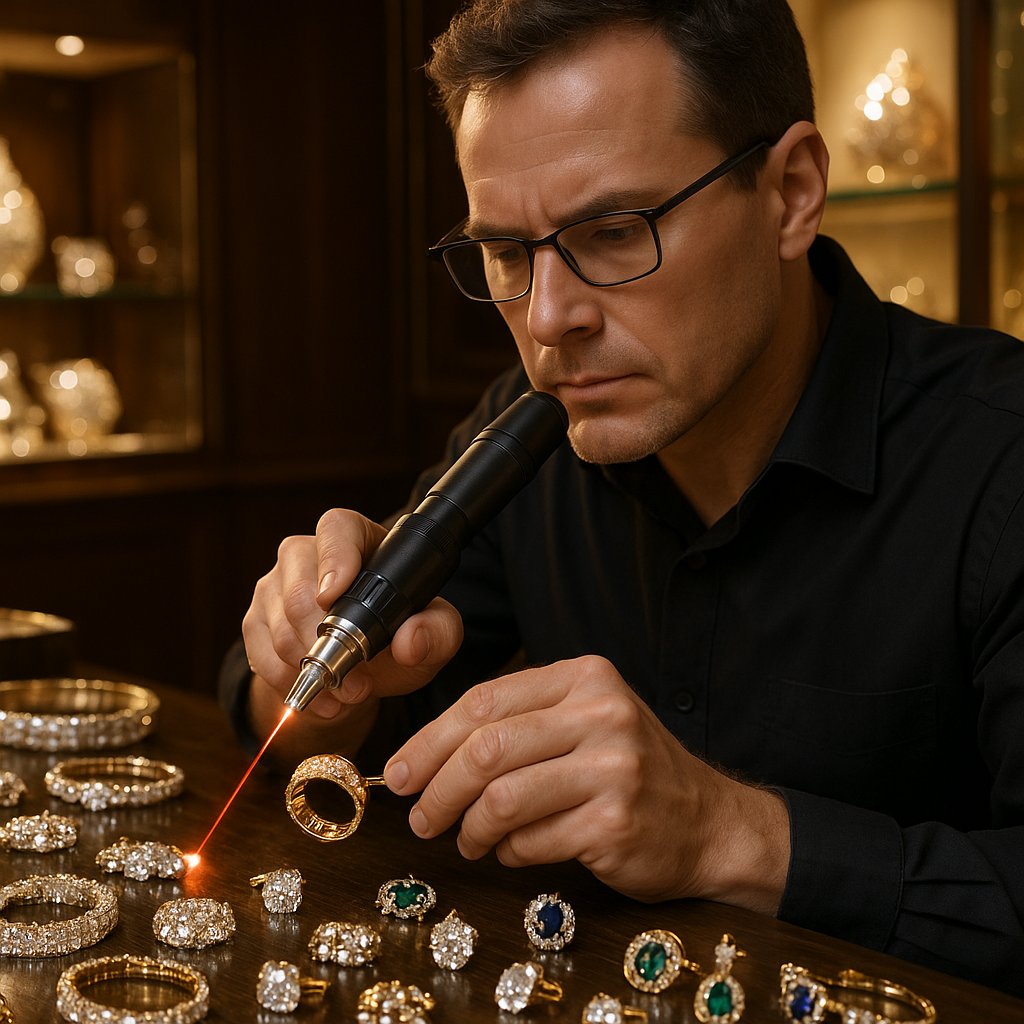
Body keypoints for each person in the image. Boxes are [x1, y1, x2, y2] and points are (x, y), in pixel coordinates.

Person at [221, 0, 1024, 994]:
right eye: (505, 253)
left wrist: (725, 834)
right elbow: (303, 727)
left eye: (612, 232)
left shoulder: (1000, 458)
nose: (548, 319)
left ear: (791, 193)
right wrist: (310, 677)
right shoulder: (526, 427)